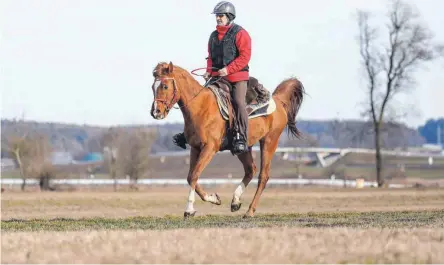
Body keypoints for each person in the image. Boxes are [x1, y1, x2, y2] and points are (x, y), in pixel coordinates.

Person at [173, 1, 269, 155]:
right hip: (218, 77)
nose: (218, 18)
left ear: (229, 17)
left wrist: (229, 69)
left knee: (238, 101)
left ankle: (241, 138)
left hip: (237, 77)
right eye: (217, 16)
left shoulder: (241, 34)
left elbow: (245, 57)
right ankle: (189, 134)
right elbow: (211, 57)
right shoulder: (213, 36)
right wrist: (209, 71)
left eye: (221, 16)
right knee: (199, 100)